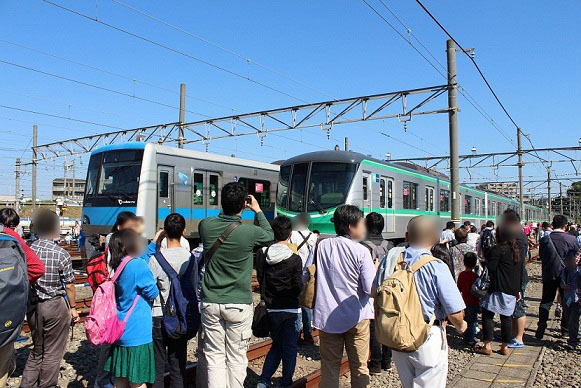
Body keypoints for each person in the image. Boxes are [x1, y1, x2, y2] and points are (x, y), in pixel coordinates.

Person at [198, 182, 274, 388]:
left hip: (211, 302)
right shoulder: (249, 233)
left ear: (221, 202)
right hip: (238, 304)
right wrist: (258, 210)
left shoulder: (206, 225)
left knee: (213, 357)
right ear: (244, 204)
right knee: (236, 357)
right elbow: (269, 235)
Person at [303, 205, 375, 388]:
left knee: (329, 368)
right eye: (362, 223)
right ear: (351, 226)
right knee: (359, 367)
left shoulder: (320, 245)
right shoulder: (362, 251)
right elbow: (369, 289)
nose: (364, 227)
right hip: (357, 317)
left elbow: (305, 275)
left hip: (327, 317)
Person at [391, 216, 466, 388]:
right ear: (436, 238)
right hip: (427, 335)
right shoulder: (436, 266)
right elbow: (454, 311)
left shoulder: (391, 260)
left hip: (397, 336)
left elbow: (375, 291)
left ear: (407, 236)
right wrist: (461, 325)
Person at [21, 209, 79, 388]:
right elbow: (69, 285)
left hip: (32, 305)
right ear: (55, 227)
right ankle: (47, 385)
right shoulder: (61, 254)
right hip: (54, 305)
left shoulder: (27, 249)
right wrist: (73, 307)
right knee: (52, 352)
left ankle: (27, 384)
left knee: (37, 350)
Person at [104, 229, 159, 388]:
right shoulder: (137, 265)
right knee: (138, 380)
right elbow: (153, 291)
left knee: (121, 378)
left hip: (121, 329)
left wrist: (153, 242)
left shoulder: (118, 264)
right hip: (138, 331)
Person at [0, 209, 45, 388]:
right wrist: (20, 285)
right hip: (5, 310)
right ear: (16, 224)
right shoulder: (12, 240)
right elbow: (37, 269)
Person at [256, 216, 303, 388]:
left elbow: (261, 278)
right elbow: (298, 285)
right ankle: (286, 382)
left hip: (271, 308)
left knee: (276, 344)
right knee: (289, 347)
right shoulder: (295, 258)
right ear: (290, 234)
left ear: (273, 234)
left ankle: (264, 380)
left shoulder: (263, 254)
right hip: (291, 309)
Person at [148, 213, 194, 388]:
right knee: (177, 366)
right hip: (181, 317)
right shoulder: (191, 259)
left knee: (157, 368)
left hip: (158, 315)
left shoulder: (155, 259)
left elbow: (149, 289)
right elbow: (194, 287)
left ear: (164, 232)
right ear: (183, 231)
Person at [475, 221, 523, 356]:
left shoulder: (498, 249)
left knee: (488, 315)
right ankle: (505, 347)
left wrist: (485, 262)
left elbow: (491, 268)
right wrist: (518, 289)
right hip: (512, 289)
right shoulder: (516, 249)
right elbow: (520, 271)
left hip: (497, 287)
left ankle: (487, 345)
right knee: (506, 317)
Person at [536, 215, 579, 340]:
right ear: (566, 226)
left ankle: (542, 324)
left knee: (546, 301)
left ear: (552, 225)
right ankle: (565, 330)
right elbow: (576, 258)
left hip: (549, 274)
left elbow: (541, 257)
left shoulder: (545, 239)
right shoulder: (572, 239)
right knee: (567, 302)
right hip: (567, 276)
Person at [361, 212, 393, 375]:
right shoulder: (391, 246)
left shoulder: (362, 246)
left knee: (373, 328)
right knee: (387, 324)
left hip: (370, 292)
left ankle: (375, 363)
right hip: (389, 291)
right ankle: (387, 361)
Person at [288, 213, 317, 345]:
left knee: (295, 304)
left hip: (293, 273)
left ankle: (295, 333)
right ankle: (308, 334)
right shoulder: (313, 237)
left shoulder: (292, 235)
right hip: (308, 275)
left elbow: (289, 253)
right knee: (306, 304)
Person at [0, 208, 45, 283]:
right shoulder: (13, 237)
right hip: (8, 291)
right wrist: (19, 282)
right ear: (16, 226)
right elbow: (38, 269)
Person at [457, 252, 480, 347]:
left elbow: (459, 288)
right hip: (474, 301)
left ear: (464, 263)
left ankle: (466, 337)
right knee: (472, 320)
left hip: (465, 301)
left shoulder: (461, 275)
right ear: (475, 264)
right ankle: (470, 338)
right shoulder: (475, 277)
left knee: (466, 319)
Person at [561, 249, 580, 350]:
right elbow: (561, 283)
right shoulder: (566, 270)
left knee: (573, 320)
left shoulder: (578, 270)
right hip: (569, 298)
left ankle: (573, 341)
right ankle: (573, 338)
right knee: (570, 319)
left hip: (577, 298)